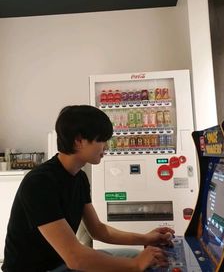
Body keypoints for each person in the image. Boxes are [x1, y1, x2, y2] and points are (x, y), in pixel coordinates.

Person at [2, 105, 174, 272]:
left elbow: (99, 230)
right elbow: (75, 258)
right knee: (134, 263)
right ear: (78, 141)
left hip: (62, 263)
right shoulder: (39, 182)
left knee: (133, 256)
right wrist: (135, 265)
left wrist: (146, 238)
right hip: (37, 269)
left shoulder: (80, 177)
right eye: (102, 140)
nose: (106, 146)